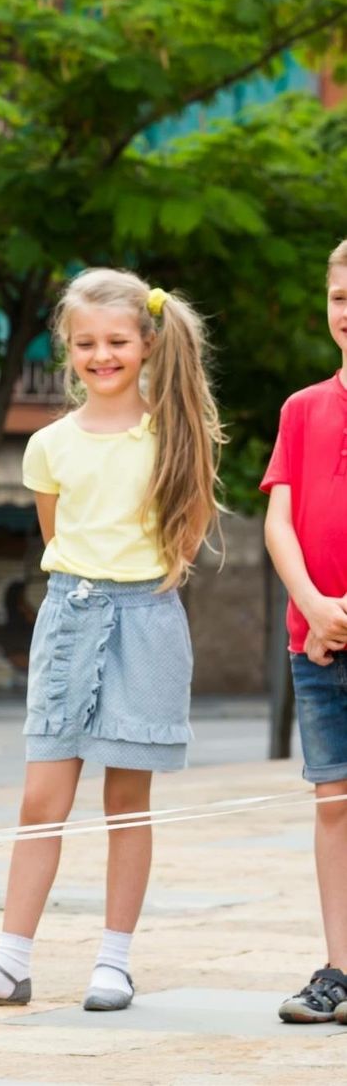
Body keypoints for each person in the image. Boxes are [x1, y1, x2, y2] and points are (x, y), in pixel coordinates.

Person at [0, 268, 223, 1013]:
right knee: (40, 797)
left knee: (128, 800)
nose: (102, 355)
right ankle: (8, 962)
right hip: (69, 616)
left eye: (117, 341)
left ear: (147, 344)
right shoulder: (49, 444)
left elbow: (187, 533)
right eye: (85, 343)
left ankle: (113, 962)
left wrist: (144, 592)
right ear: (67, 348)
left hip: (147, 617)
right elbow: (58, 542)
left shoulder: (174, 434)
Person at [264, 240, 347, 1024]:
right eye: (341, 297)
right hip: (314, 643)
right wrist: (316, 607)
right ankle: (339, 968)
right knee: (334, 805)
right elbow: (279, 521)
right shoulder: (302, 408)